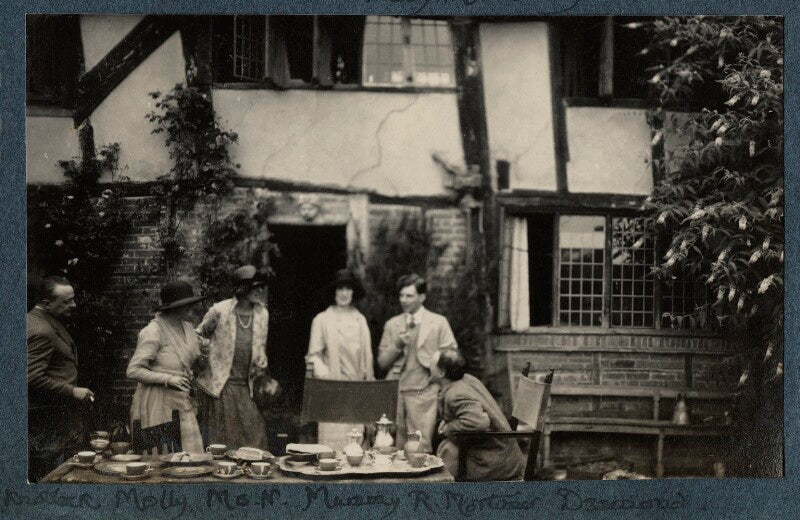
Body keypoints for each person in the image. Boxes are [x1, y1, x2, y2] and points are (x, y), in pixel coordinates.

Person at [377, 273, 457, 453]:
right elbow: (382, 362)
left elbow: (451, 356)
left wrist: (435, 372)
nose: (404, 300)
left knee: (420, 448)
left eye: (409, 296)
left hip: (424, 392)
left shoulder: (438, 323)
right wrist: (397, 344)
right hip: (396, 393)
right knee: (393, 447)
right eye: (401, 295)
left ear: (422, 297)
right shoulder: (392, 325)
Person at [195, 265, 270, 450]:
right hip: (222, 385)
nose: (259, 291)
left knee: (256, 436)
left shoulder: (262, 314)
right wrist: (209, 353)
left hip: (248, 385)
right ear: (241, 289)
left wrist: (262, 361)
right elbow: (197, 336)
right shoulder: (220, 311)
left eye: (260, 287)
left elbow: (260, 346)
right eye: (254, 287)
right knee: (224, 440)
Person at [127, 281, 207, 453]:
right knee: (164, 454)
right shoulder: (153, 332)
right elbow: (133, 370)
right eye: (185, 305)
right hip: (157, 401)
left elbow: (189, 360)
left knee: (188, 452)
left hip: (181, 398)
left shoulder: (188, 328)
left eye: (191, 303)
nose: (191, 308)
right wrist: (168, 378)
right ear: (171, 307)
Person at [28, 276, 95, 482]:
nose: (73, 305)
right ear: (46, 303)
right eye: (66, 301)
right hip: (51, 420)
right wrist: (72, 391)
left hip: (53, 419)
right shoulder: (42, 330)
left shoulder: (41, 321)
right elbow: (30, 376)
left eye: (73, 299)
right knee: (53, 477)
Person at [432, 348, 525, 481]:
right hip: (502, 454)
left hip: (494, 462)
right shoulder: (467, 379)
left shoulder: (456, 394)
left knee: (447, 457)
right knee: (447, 451)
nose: (429, 365)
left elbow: (479, 422)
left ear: (441, 373)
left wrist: (447, 428)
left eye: (432, 363)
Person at [306, 269, 374, 449]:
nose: (344, 294)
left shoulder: (360, 320)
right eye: (340, 289)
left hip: (356, 390)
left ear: (353, 292)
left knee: (355, 446)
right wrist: (328, 376)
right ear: (334, 292)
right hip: (332, 390)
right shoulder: (322, 320)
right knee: (332, 447)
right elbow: (313, 355)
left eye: (348, 289)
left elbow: (368, 359)